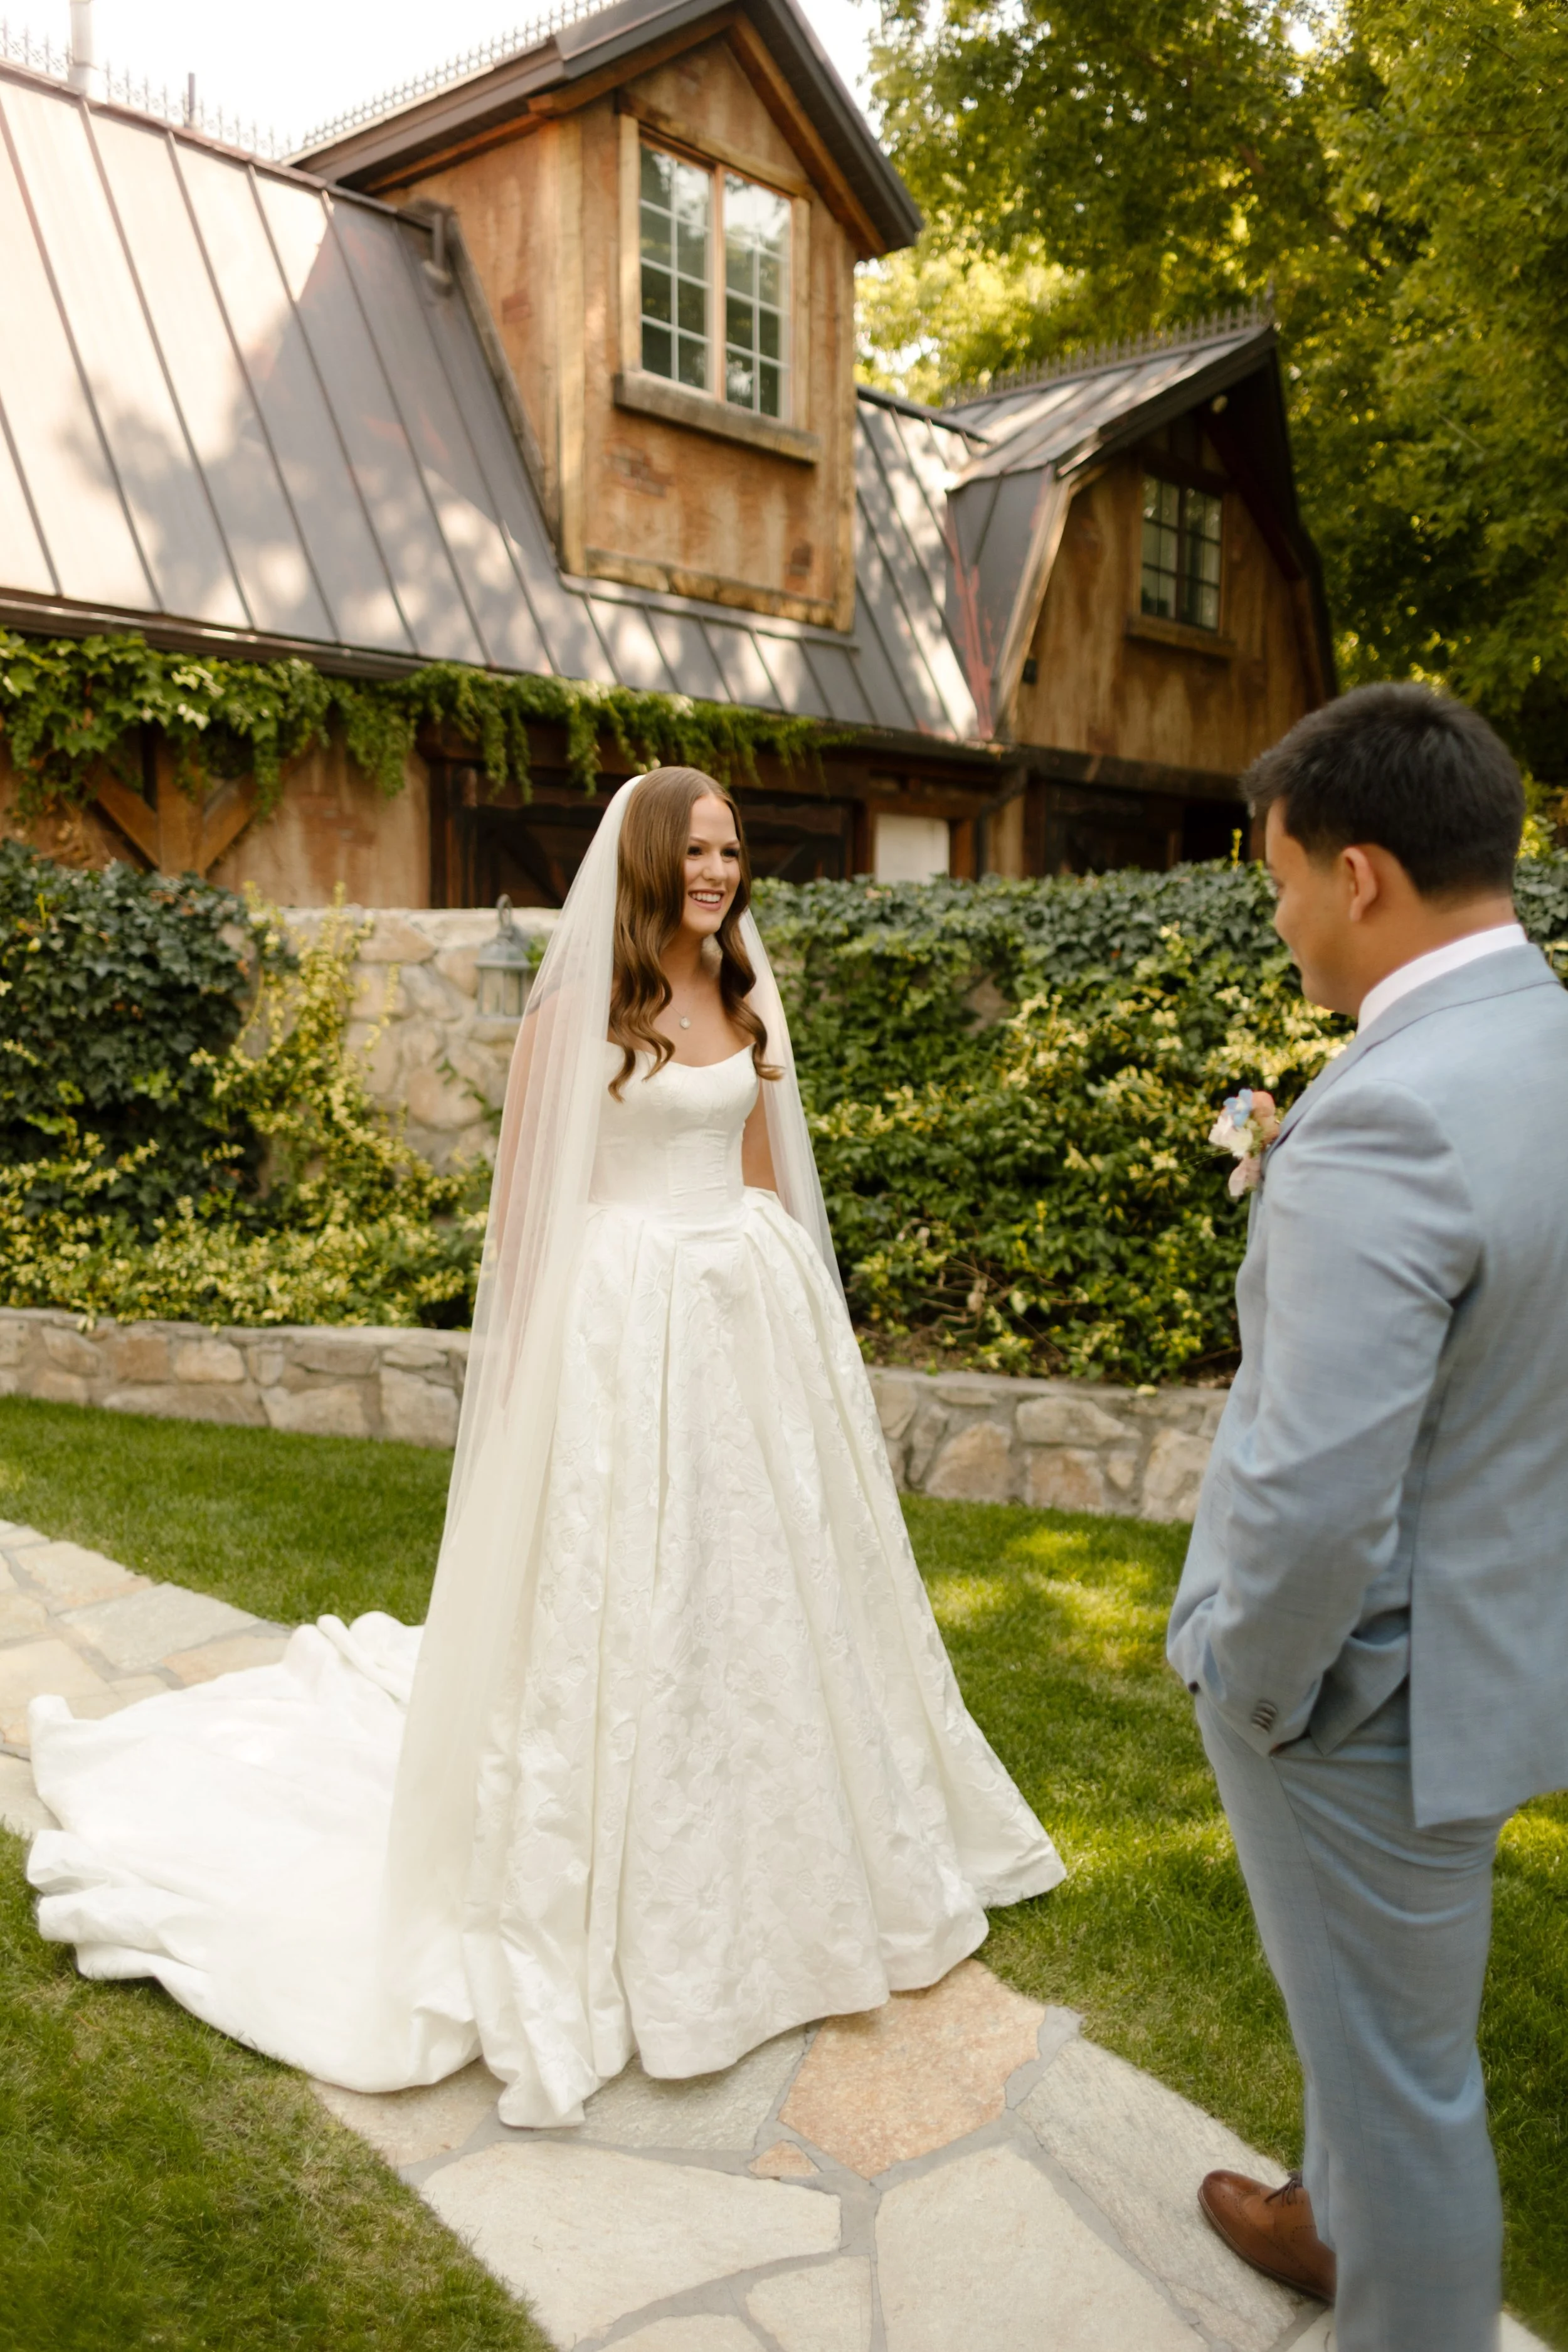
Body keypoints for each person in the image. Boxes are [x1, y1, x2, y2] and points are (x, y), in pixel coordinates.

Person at [28, 768, 1062, 2125]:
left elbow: (761, 1171)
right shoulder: (579, 1012)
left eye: (730, 849)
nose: (715, 870)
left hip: (738, 1313)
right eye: (692, 849)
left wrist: (788, 1325)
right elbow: (525, 1222)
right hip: (625, 1322)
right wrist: (532, 1394)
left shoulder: (745, 989)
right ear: (643, 861)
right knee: (628, 1597)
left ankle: (800, 1850)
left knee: (767, 1588)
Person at [1168, 685, 1568, 2351]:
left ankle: (1386, 2257)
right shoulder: (1543, 1040)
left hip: (1363, 1699)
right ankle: (1325, 2210)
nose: (1272, 916)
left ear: (1363, 874)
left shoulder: (1385, 1112)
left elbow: (1313, 1486)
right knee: (1380, 2028)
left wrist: (1245, 1683)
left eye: (1274, 878)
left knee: (1409, 2086)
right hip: (1492, 1633)